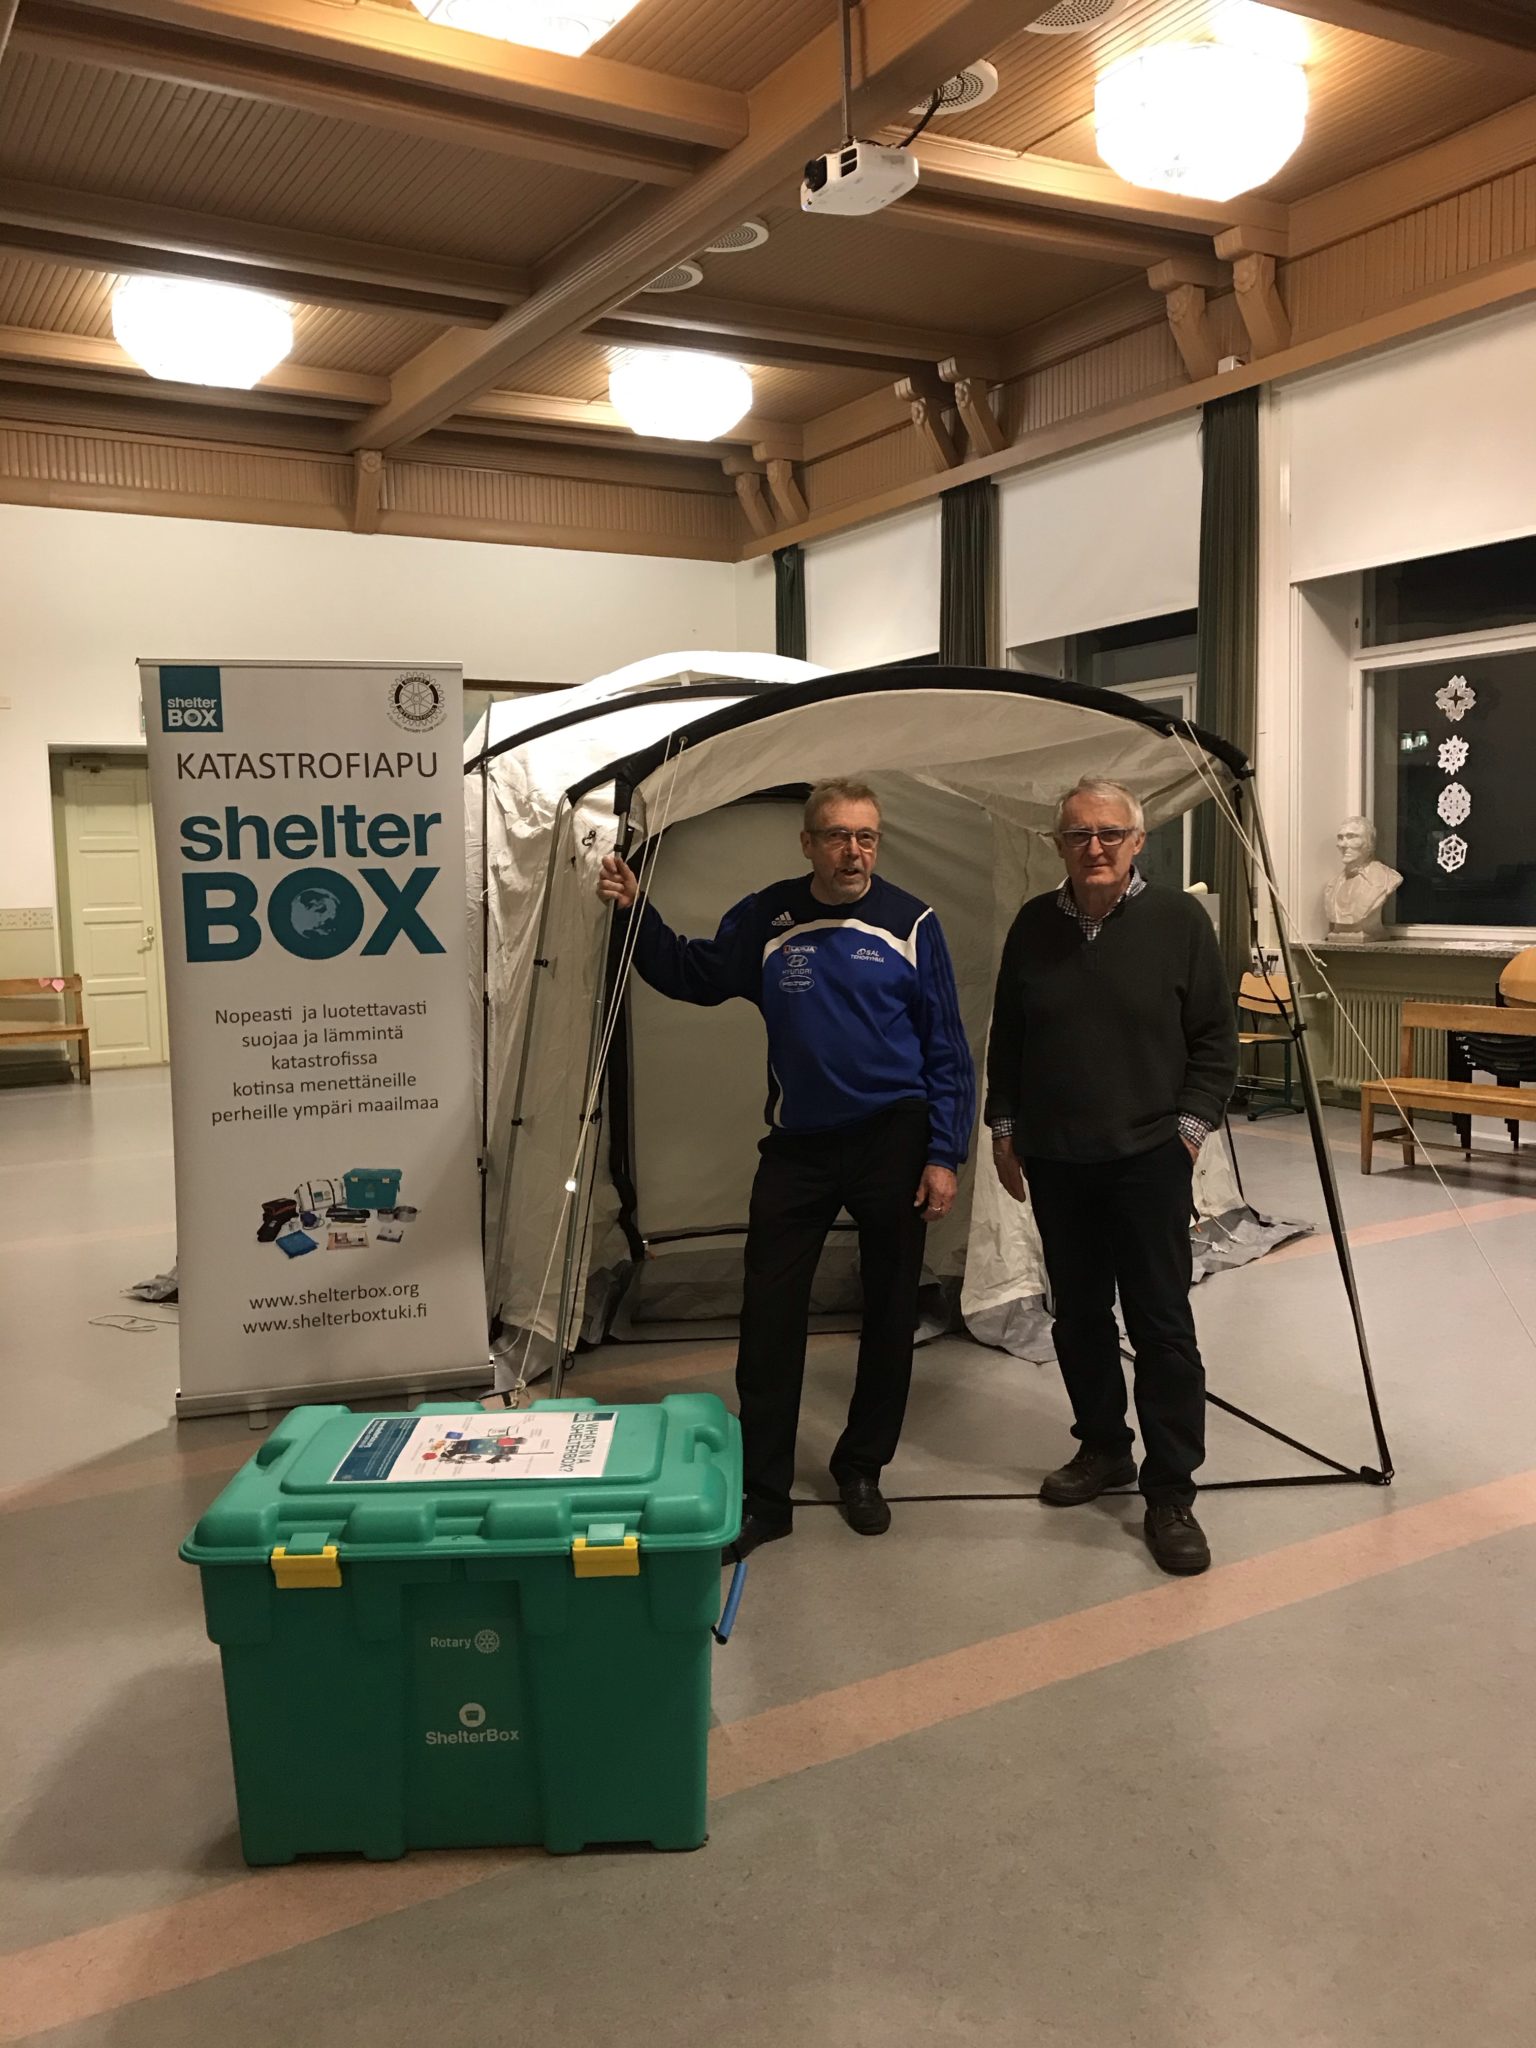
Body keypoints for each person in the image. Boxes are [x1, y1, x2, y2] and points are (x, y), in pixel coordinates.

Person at [597, 778, 975, 1561]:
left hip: (893, 1138)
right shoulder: (768, 917)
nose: (853, 852)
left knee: (890, 1310)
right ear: (807, 843)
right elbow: (695, 975)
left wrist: (944, 1154)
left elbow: (946, 1045)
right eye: (837, 836)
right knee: (769, 1315)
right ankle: (766, 1496)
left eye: (866, 836)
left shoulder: (912, 922)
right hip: (800, 1145)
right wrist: (636, 912)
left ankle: (861, 1469)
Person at [984, 777, 1237, 1575]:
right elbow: (1010, 1038)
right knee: (1079, 1318)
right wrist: (1004, 1129)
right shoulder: (1033, 925)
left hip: (1149, 1160)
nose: (1093, 847)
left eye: (1109, 834)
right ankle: (1103, 1447)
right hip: (1058, 1159)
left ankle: (1171, 1491)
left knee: (1162, 1327)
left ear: (1137, 842)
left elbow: (1215, 1042)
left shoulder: (1180, 922)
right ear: (1058, 844)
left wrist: (1187, 1135)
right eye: (1077, 835)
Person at [1323, 816, 1401, 938]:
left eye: (1352, 837)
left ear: (1369, 843)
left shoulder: (1388, 878)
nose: (1343, 844)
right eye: (1340, 838)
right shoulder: (1332, 885)